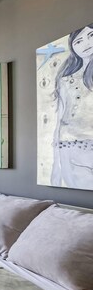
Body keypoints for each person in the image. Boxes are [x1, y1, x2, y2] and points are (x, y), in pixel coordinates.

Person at [50, 24, 93, 188]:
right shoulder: (65, 79)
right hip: (71, 145)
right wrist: (56, 164)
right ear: (73, 46)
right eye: (79, 41)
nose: (87, 43)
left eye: (91, 36)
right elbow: (60, 118)